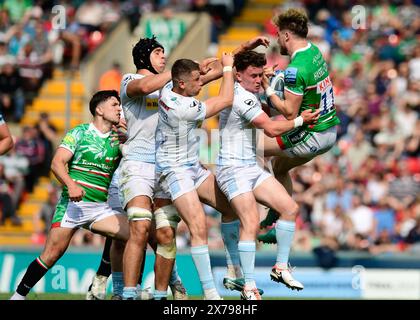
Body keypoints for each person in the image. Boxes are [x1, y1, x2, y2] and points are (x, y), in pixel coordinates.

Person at [216, 50, 319, 298]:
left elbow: (268, 112)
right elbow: (272, 129)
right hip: (232, 169)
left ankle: (280, 268)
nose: (257, 79)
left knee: (290, 208)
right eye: (253, 75)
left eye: (260, 74)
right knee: (250, 222)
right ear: (237, 75)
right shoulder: (240, 96)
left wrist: (268, 87)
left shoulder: (249, 91)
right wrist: (300, 121)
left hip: (251, 166)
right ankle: (249, 286)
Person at [10, 90, 129, 300]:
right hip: (72, 206)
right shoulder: (80, 132)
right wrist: (71, 185)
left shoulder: (118, 139)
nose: (119, 108)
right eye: (114, 105)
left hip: (100, 209)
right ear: (99, 110)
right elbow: (57, 163)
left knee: (135, 234)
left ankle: (119, 292)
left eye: (119, 105)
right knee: (50, 255)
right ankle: (18, 297)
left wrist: (129, 138)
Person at [155, 54, 235, 300]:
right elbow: (226, 98)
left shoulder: (168, 90)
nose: (200, 83)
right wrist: (229, 67)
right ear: (182, 84)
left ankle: (234, 271)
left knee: (232, 207)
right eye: (196, 80)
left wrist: (209, 69)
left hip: (193, 165)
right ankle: (210, 292)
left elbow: (202, 78)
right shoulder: (185, 108)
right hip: (174, 170)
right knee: (198, 225)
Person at [258, 8, 340, 243]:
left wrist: (268, 88)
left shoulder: (296, 69)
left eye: (277, 34)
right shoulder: (313, 52)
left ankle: (281, 210)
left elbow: (289, 112)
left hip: (312, 133)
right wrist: (279, 79)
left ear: (286, 36)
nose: (276, 40)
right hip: (328, 130)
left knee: (254, 149)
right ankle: (277, 213)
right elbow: (303, 86)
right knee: (279, 167)